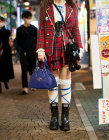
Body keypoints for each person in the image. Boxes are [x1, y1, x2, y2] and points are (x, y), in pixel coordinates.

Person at [37, 0, 83, 131]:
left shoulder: (72, 6)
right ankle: (54, 117)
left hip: (66, 48)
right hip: (50, 48)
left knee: (65, 82)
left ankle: (65, 117)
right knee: (52, 83)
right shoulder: (45, 5)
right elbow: (41, 28)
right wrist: (40, 49)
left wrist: (79, 47)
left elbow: (75, 28)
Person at [16, 11, 38, 94]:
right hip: (23, 53)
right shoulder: (19, 30)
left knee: (32, 69)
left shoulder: (34, 29)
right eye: (28, 18)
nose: (29, 19)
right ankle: (25, 87)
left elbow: (37, 40)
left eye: (30, 18)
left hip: (32, 52)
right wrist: (20, 51)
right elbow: (18, 42)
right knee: (24, 70)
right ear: (24, 18)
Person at [0, 16, 14, 93]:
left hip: (5, 52)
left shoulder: (7, 31)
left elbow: (5, 35)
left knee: (4, 67)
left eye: (1, 21)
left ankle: (5, 80)